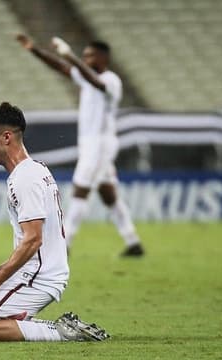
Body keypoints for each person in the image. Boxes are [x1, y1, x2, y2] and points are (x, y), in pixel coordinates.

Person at [0, 102, 109, 342]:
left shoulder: (25, 177)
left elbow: (33, 239)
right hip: (40, 270)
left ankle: (64, 332)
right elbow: (31, 240)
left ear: (7, 137)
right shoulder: (34, 170)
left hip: (39, 276)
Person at [16, 33, 144, 257]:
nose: (86, 59)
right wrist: (34, 50)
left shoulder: (111, 80)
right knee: (108, 193)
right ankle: (133, 242)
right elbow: (62, 68)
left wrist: (70, 55)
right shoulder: (86, 77)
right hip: (91, 143)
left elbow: (95, 82)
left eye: (90, 55)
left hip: (100, 144)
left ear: (104, 57)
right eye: (84, 56)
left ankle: (65, 244)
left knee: (80, 188)